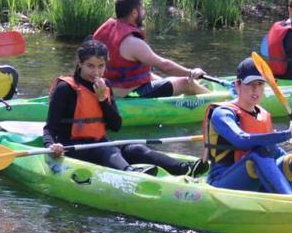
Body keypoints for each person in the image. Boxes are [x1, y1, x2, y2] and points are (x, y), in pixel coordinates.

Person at [45, 40, 208, 177]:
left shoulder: (105, 86)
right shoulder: (65, 89)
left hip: (99, 142)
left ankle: (184, 168)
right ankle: (131, 174)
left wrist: (102, 99)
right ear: (80, 64)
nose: (96, 72)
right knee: (107, 151)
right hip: (73, 147)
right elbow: (50, 128)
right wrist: (51, 146)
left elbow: (115, 126)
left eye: (101, 66)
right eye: (90, 66)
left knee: (136, 149)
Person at [203, 57, 292, 195]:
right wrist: (287, 134)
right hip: (223, 182)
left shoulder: (262, 115)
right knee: (258, 155)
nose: (255, 90)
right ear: (237, 84)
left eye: (260, 84)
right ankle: (289, 201)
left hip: (257, 178)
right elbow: (241, 140)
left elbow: (275, 151)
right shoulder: (222, 113)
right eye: (250, 84)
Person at [92, 0, 210, 98]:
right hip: (129, 94)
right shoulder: (133, 42)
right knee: (186, 82)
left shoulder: (105, 31)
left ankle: (191, 88)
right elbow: (165, 66)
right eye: (142, 9)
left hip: (108, 89)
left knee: (152, 75)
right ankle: (219, 101)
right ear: (134, 13)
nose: (144, 12)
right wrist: (191, 73)